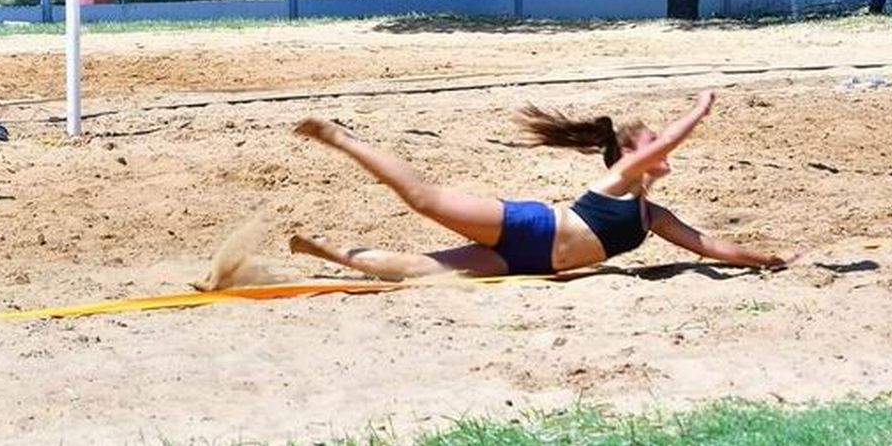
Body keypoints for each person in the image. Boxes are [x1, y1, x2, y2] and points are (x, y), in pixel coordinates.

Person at [287, 90, 788, 279]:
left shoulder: (650, 216)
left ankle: (330, 254)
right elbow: (662, 148)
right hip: (531, 227)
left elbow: (706, 245)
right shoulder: (619, 178)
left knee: (423, 272)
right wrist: (698, 110)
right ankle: (341, 137)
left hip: (531, 264)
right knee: (425, 199)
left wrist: (762, 259)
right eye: (654, 142)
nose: (663, 149)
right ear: (633, 154)